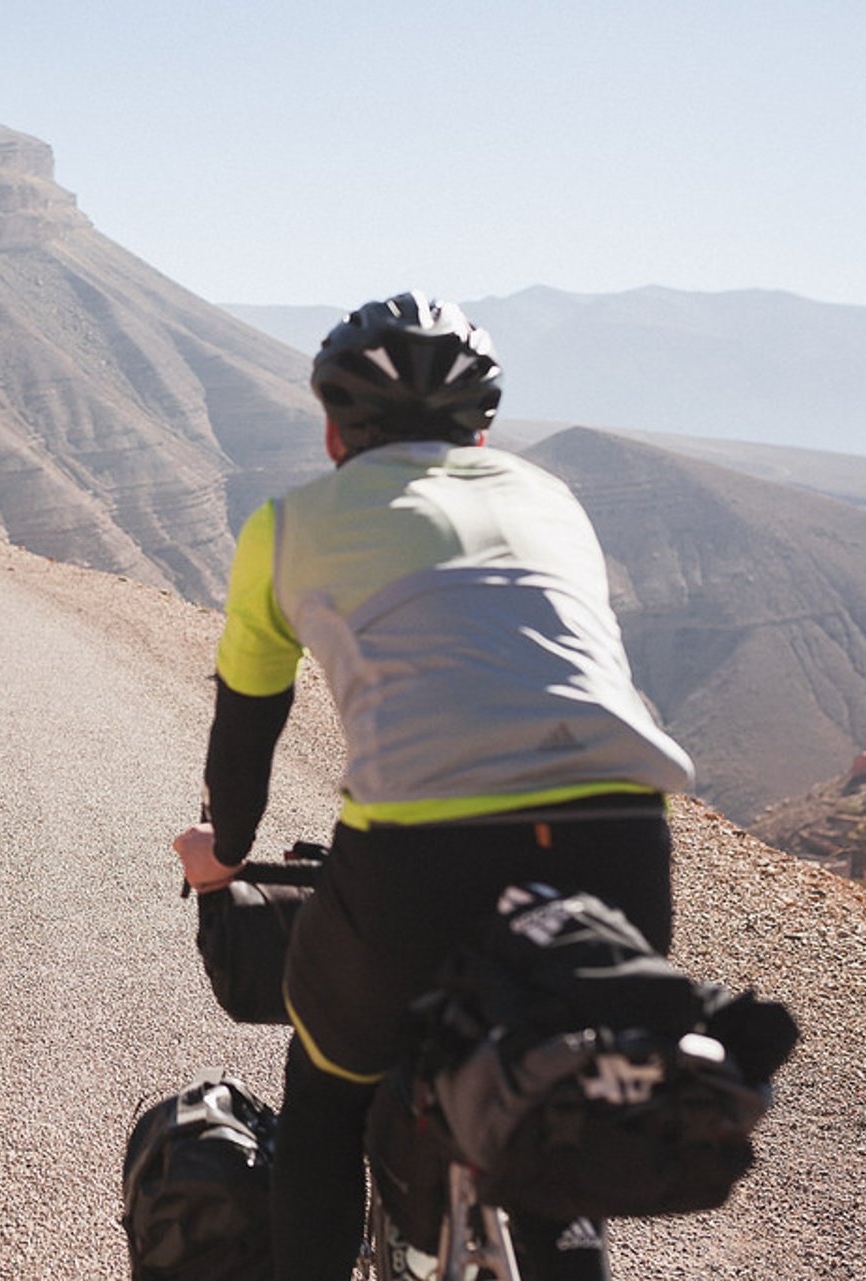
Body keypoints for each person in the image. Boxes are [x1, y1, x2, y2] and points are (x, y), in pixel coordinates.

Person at [171, 293, 694, 1280]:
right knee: (558, 1091)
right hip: (624, 843)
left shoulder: (288, 526)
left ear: (332, 429)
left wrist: (223, 857)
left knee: (325, 1090)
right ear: (485, 428)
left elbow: (245, 731)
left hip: (421, 861)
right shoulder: (553, 501)